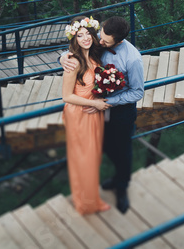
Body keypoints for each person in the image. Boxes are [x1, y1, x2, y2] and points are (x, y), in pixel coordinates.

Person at [61, 15, 144, 214]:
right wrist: (63, 57)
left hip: (119, 112)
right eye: (101, 36)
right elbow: (81, 44)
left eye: (106, 41)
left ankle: (121, 186)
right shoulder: (100, 38)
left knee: (122, 150)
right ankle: (108, 180)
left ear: (119, 40)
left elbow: (138, 92)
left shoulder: (132, 59)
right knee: (102, 146)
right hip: (92, 112)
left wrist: (107, 102)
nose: (100, 42)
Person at [61, 18, 111, 214]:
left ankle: (88, 197)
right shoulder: (73, 62)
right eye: (79, 35)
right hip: (79, 114)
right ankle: (87, 203)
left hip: (94, 113)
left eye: (87, 34)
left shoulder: (96, 57)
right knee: (85, 158)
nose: (85, 38)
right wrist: (95, 103)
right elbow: (66, 96)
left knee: (92, 157)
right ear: (74, 39)